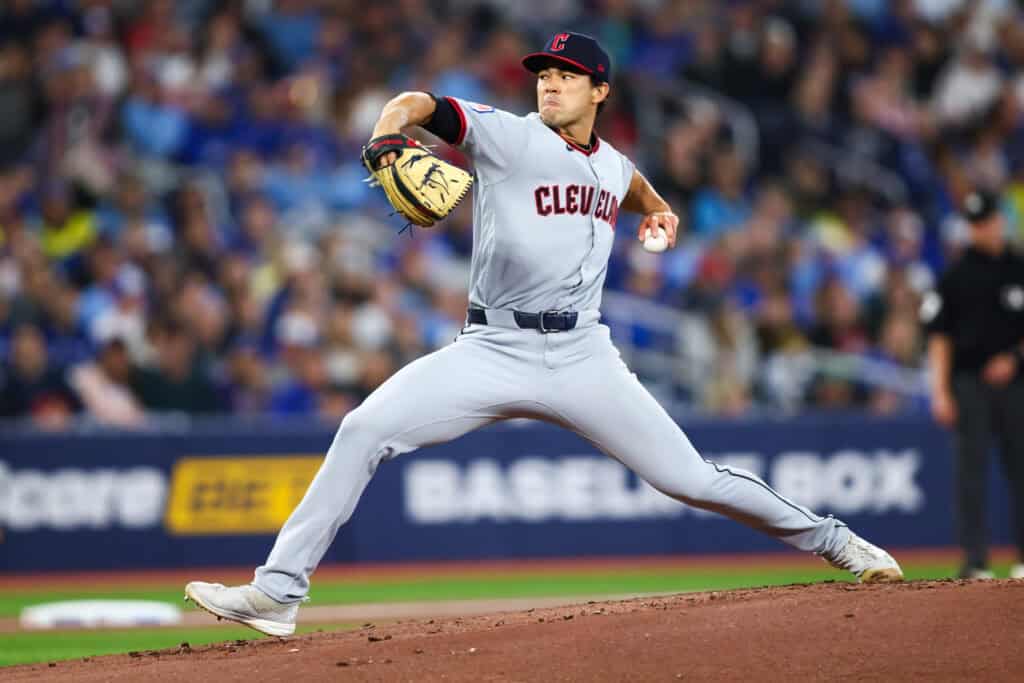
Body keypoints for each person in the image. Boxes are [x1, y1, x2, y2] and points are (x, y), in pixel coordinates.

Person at [185, 32, 902, 637]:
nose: (551, 85)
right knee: (364, 426)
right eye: (547, 75)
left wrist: (659, 210)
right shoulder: (507, 135)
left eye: (568, 77)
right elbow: (420, 103)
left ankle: (839, 541)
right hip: (492, 349)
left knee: (692, 478)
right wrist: (386, 133)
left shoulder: (613, 163)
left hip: (585, 353)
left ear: (601, 93)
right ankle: (279, 592)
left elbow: (629, 182)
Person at [923, 189, 1024, 580]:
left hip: (1016, 382)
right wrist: (940, 391)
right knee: (971, 473)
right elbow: (938, 337)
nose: (981, 229)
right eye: (974, 223)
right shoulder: (954, 276)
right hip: (969, 383)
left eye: (986, 220)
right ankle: (975, 560)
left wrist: (1013, 357)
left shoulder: (1019, 268)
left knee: (1021, 469)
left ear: (1000, 219)